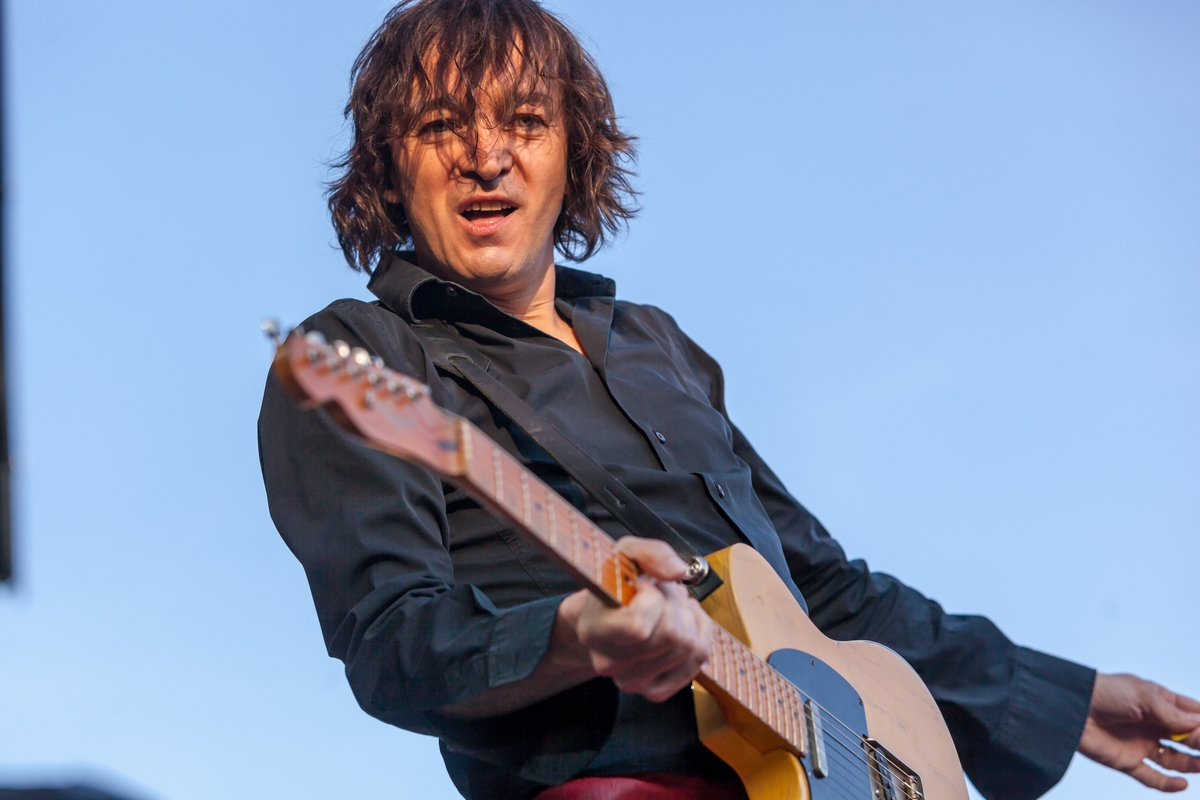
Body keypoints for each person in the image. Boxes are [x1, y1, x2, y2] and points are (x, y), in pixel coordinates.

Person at [257, 1, 1200, 798]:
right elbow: (393, 641)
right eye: (438, 127)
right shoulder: (359, 352)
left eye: (526, 121)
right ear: (388, 165)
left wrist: (1062, 701)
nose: (486, 156)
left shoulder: (659, 346)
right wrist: (580, 634)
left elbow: (824, 589)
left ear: (574, 154)